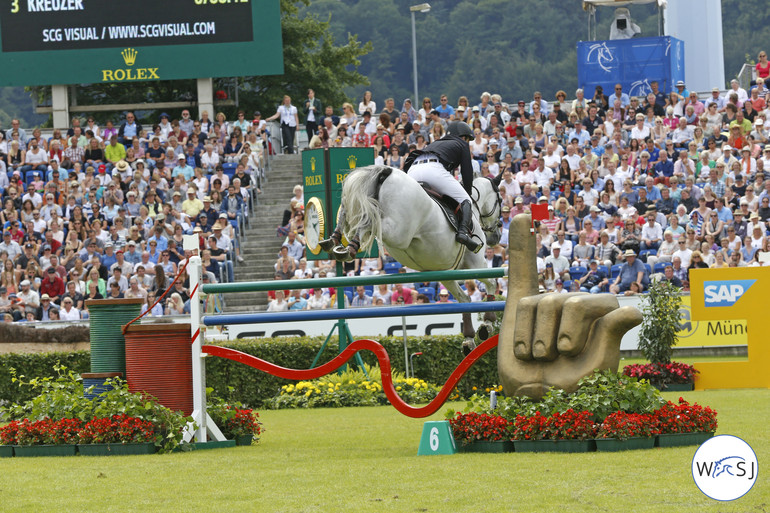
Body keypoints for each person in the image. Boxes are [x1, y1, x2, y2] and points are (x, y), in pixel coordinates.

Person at [319, 121, 481, 260]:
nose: (467, 142)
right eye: (467, 139)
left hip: (414, 170)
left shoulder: (436, 143)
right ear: (463, 137)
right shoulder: (461, 144)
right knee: (465, 199)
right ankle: (462, 234)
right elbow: (467, 173)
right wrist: (466, 192)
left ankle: (348, 236)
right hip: (435, 169)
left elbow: (411, 158)